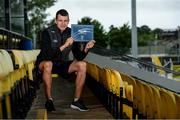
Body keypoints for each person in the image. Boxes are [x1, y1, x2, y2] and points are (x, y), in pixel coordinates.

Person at [35, 9, 95, 112]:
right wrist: (65, 45)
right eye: (60, 20)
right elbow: (47, 55)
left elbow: (79, 57)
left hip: (62, 64)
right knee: (48, 64)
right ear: (56, 21)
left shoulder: (72, 33)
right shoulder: (47, 32)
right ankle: (49, 101)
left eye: (65, 21)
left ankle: (76, 101)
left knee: (82, 65)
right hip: (45, 63)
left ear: (68, 21)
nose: (63, 23)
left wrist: (86, 48)